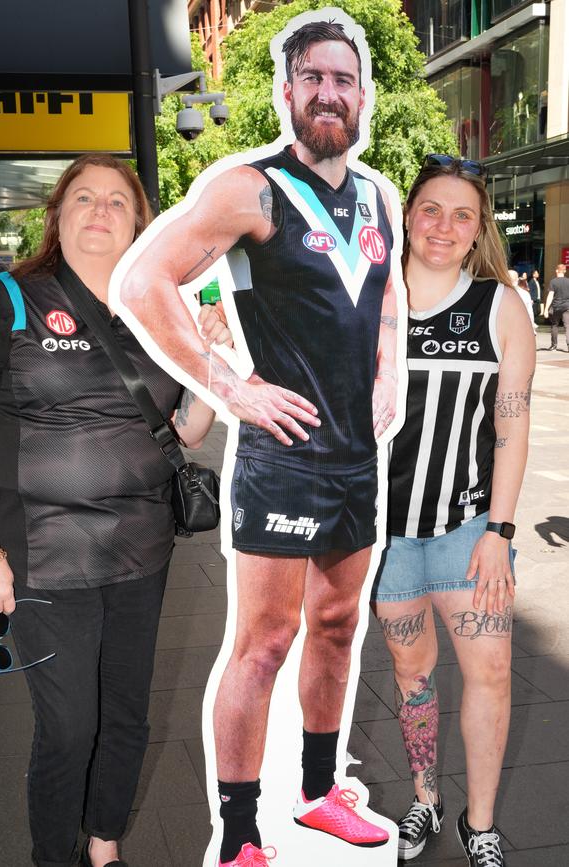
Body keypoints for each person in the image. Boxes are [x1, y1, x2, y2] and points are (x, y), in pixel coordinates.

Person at [116, 19, 400, 866]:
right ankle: (239, 835)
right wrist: (227, 383)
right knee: (264, 643)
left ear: (362, 96)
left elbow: (382, 297)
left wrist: (391, 364)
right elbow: (144, 278)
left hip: (356, 457)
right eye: (311, 77)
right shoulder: (250, 188)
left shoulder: (379, 198)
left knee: (340, 624)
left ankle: (317, 794)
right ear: (287, 91)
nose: (328, 92)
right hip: (282, 459)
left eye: (343, 79)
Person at [0, 154, 226, 867]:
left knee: (125, 715)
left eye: (116, 201)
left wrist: (211, 362)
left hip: (141, 552)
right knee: (67, 728)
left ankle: (104, 845)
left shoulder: (163, 309)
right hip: (41, 558)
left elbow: (184, 431)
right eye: (83, 197)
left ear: (138, 223)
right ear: (57, 215)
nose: (99, 209)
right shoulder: (7, 302)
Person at [371, 154, 535, 867]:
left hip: (467, 528)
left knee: (491, 672)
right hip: (382, 538)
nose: (444, 225)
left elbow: (513, 424)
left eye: (462, 213)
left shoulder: (500, 305)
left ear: (478, 230)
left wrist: (499, 530)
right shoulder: (366, 299)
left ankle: (481, 822)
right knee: (413, 678)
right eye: (431, 209)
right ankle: (426, 797)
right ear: (409, 216)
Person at [543, 263, 569, 351]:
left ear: (556, 271)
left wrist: (546, 309)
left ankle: (554, 345)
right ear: (565, 271)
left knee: (554, 325)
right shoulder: (568, 281)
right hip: (567, 306)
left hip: (556, 307)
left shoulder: (553, 281)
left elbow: (550, 295)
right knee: (568, 326)